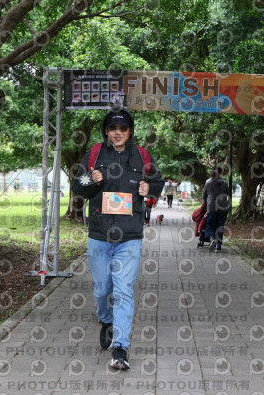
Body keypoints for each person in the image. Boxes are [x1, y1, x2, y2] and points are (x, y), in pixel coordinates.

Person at [71, 104, 163, 370]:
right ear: (107, 131)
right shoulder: (95, 153)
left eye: (123, 128)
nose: (118, 132)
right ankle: (106, 320)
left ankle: (120, 348)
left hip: (130, 236)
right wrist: (91, 179)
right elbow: (78, 187)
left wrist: (148, 188)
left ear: (130, 131)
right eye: (113, 128)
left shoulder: (142, 155)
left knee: (123, 291)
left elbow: (158, 182)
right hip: (99, 235)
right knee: (102, 289)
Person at [202, 166, 230, 251]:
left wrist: (206, 202)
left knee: (210, 224)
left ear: (212, 172)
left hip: (212, 207)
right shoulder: (225, 183)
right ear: (220, 173)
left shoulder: (208, 182)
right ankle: (218, 245)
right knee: (220, 226)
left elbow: (204, 195)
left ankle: (212, 239)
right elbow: (227, 194)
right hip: (223, 207)